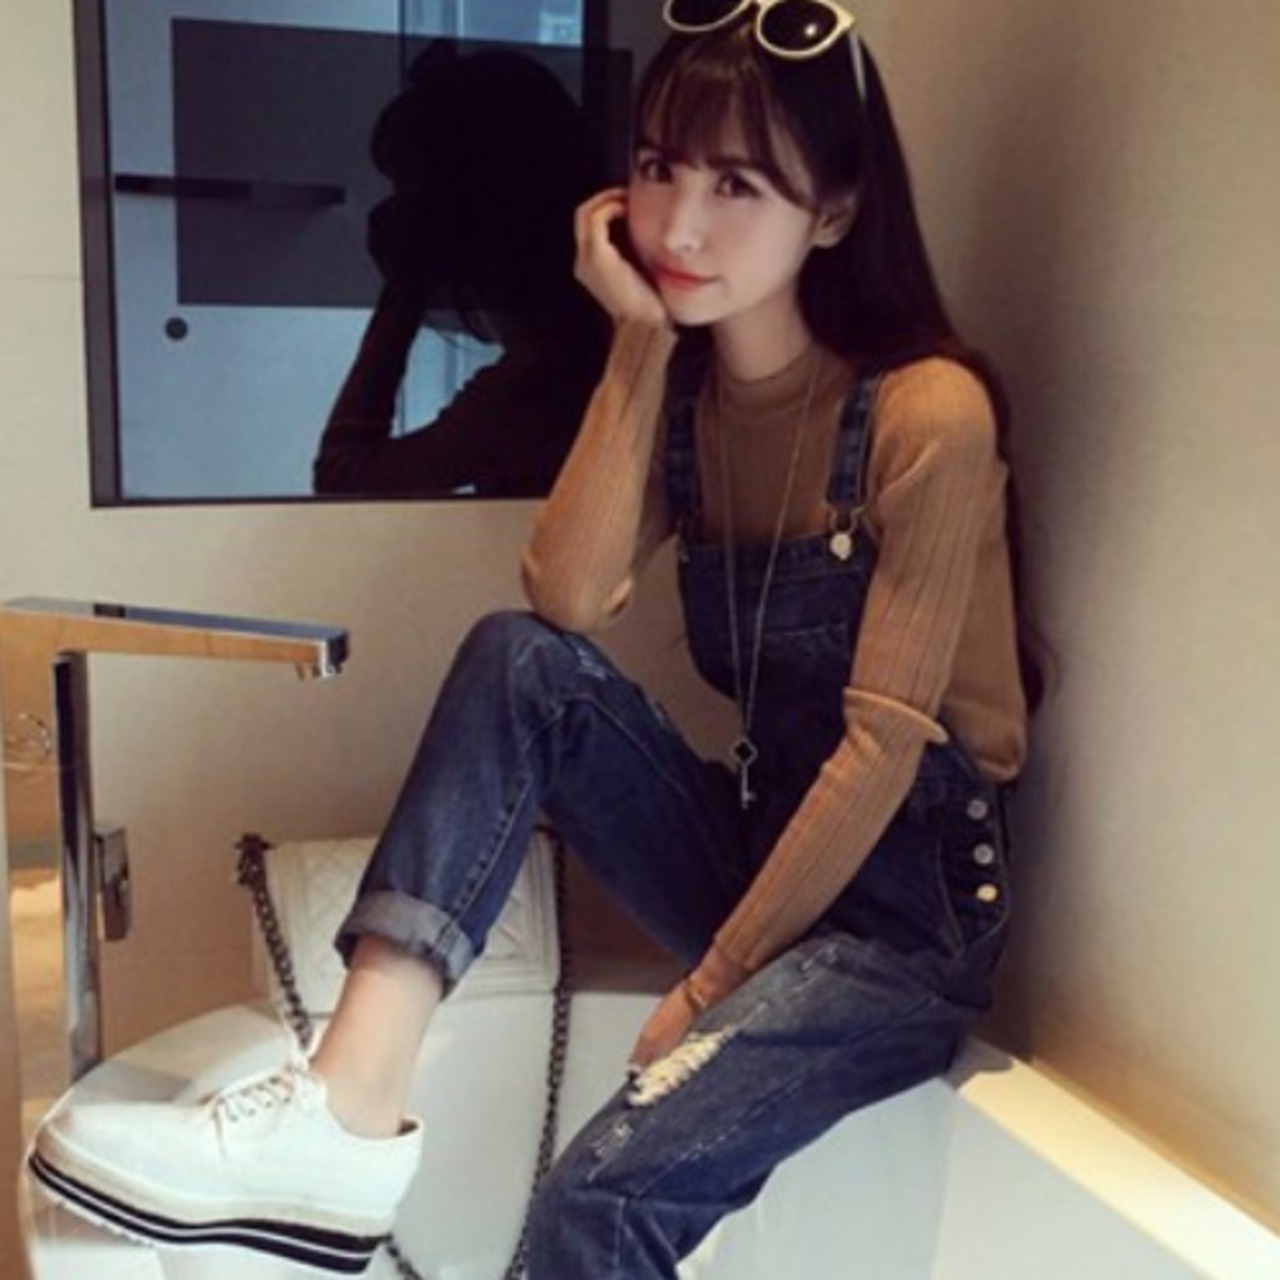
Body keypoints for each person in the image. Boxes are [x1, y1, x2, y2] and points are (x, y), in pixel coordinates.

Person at [30, 3, 1038, 1276]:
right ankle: (345, 1109)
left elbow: (881, 753)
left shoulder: (926, 414)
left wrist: (709, 983)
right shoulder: (687, 402)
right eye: (660, 167)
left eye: (736, 184)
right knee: (519, 661)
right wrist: (637, 345)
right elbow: (563, 600)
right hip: (763, 856)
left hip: (900, 927)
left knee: (597, 1198)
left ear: (833, 209)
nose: (678, 225)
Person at [313, 42, 610, 498]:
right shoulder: (586, 336)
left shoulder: (540, 382)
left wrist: (403, 295)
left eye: (407, 193)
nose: (392, 217)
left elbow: (344, 480)